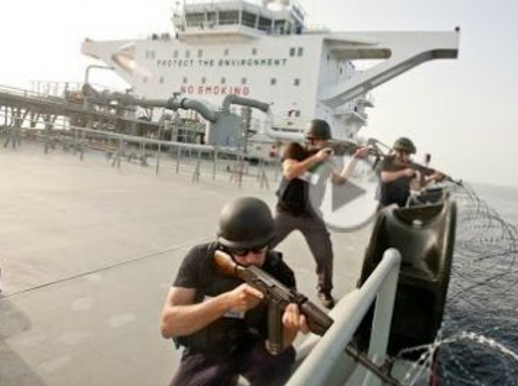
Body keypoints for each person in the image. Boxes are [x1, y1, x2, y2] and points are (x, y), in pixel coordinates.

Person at [160, 197, 309, 386]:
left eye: (258, 250)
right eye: (241, 252)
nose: (250, 259)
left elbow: (276, 348)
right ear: (225, 246)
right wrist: (227, 302)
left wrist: (290, 327)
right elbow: (168, 325)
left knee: (277, 367)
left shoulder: (280, 273)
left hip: (253, 348)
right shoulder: (201, 259)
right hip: (206, 352)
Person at [272, 119, 367, 309]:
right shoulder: (294, 149)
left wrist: (355, 158)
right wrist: (316, 159)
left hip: (311, 216)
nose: (326, 145)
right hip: (286, 212)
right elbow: (290, 172)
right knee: (262, 245)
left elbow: (339, 180)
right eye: (324, 141)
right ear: (313, 140)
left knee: (325, 254)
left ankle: (325, 291)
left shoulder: (326, 160)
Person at [377, 137, 443, 208]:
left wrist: (432, 177)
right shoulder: (387, 160)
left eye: (409, 154)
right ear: (399, 152)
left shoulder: (409, 166)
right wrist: (403, 173)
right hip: (382, 205)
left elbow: (417, 187)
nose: (409, 156)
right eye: (407, 154)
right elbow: (384, 177)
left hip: (399, 208)